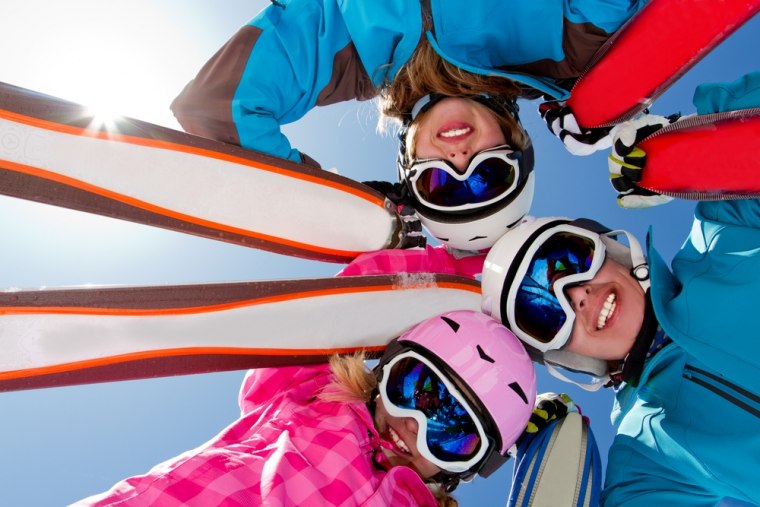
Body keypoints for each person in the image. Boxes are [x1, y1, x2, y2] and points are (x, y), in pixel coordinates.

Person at [479, 71, 760, 506]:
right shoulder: (647, 456)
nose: (576, 295)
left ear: (611, 250)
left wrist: (687, 151)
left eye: (568, 261)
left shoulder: (724, 239)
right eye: (544, 314)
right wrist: (549, 472)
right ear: (565, 356)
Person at [170, 0, 649, 252]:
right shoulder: (566, 44)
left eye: (439, 184)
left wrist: (336, 206)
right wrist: (600, 85)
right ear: (516, 144)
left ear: (408, 162)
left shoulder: (351, 51)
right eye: (489, 176)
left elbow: (218, 109)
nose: (461, 162)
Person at [73, 310, 538, 506]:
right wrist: (447, 263)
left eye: (454, 435)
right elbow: (333, 306)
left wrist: (544, 453)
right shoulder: (315, 393)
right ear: (386, 370)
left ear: (464, 469)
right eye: (417, 390)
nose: (415, 426)